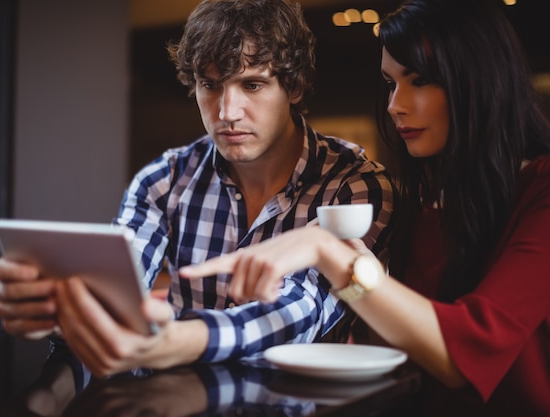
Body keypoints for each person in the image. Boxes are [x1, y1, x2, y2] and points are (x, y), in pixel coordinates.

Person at [179, 0, 550, 415]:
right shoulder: (425, 203)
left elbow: (464, 354)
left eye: (420, 80)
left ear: (481, 79)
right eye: (391, 84)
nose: (395, 104)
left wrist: (328, 252)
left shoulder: (541, 193)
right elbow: (391, 352)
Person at [0, 0, 394, 376]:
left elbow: (304, 310)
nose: (226, 112)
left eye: (252, 85)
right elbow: (115, 288)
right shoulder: (164, 179)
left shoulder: (354, 186)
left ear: (295, 87)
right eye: (210, 85)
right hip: (179, 399)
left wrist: (178, 341)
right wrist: (55, 310)